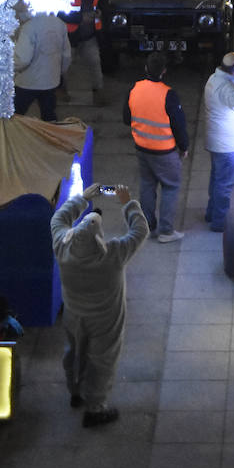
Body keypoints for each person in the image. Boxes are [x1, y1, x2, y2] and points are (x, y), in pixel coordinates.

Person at [50, 182, 149, 427]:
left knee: (74, 352)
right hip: (106, 319)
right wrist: (127, 202)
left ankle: (75, 391)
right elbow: (140, 231)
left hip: (74, 314)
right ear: (99, 240)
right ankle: (95, 409)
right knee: (103, 360)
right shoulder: (111, 255)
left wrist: (83, 198)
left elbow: (59, 219)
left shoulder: (63, 246)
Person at [123, 51, 189, 241]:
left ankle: (148, 227)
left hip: (142, 148)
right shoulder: (169, 95)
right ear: (164, 71)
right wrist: (184, 147)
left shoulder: (134, 89)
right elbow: (179, 125)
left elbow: (127, 119)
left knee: (147, 185)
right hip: (164, 151)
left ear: (146, 68)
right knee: (171, 186)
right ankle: (166, 231)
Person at [202, 52, 234, 231]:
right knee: (225, 184)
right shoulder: (225, 88)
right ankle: (219, 222)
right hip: (226, 144)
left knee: (216, 179)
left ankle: (211, 213)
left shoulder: (214, 79)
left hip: (216, 140)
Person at [13, 3, 72, 122]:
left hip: (28, 82)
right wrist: (59, 72)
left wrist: (11, 68)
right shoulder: (60, 24)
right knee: (49, 115)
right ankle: (49, 138)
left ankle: (10, 137)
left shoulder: (29, 27)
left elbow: (23, 59)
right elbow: (66, 55)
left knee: (15, 115)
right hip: (51, 81)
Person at [60, 0, 107, 106]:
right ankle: (61, 91)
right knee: (64, 66)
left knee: (95, 62)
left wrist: (100, 12)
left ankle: (98, 92)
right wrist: (81, 17)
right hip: (70, 36)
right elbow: (60, 13)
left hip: (89, 35)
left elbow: (103, 4)